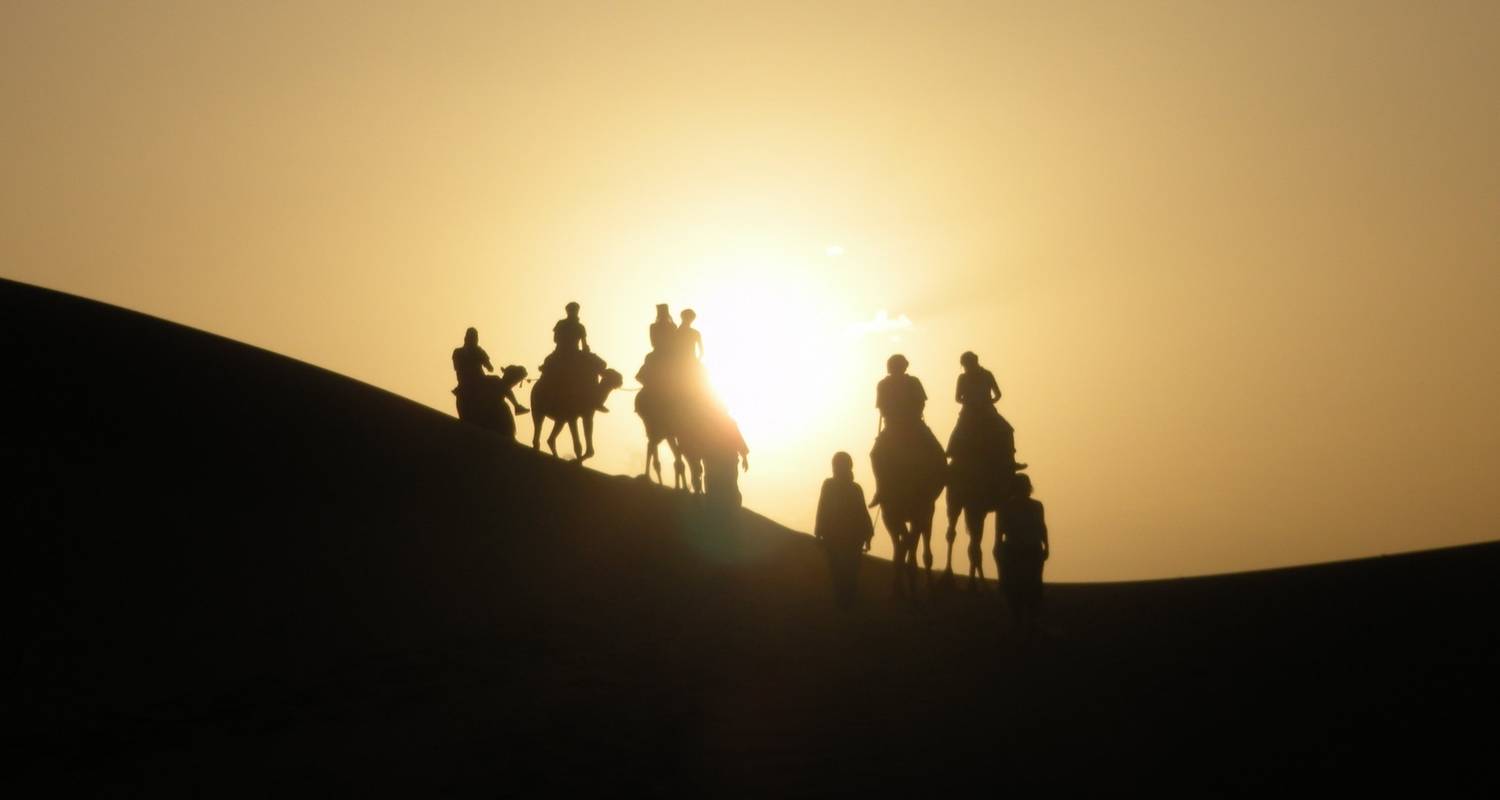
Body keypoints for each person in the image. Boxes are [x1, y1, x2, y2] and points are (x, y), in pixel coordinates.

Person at [815, 452, 874, 608]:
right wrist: (868, 536)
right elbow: (823, 508)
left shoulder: (838, 486)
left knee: (843, 570)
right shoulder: (851, 488)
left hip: (843, 537)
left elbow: (823, 508)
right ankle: (846, 600)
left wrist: (819, 532)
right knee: (846, 570)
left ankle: (845, 601)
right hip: (842, 537)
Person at [947, 351, 1022, 470]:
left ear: (974, 362)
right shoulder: (962, 378)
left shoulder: (987, 375)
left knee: (1007, 430)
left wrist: (987, 402)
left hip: (987, 411)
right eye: (965, 365)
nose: (966, 368)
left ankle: (1011, 461)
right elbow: (957, 398)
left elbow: (998, 394)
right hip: (969, 412)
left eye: (967, 365)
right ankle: (952, 455)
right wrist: (970, 402)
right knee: (959, 433)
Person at [997, 473, 1049, 634]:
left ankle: (1022, 621)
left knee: (1019, 586)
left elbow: (999, 533)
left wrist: (1046, 546)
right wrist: (1046, 546)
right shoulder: (1035, 506)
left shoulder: (1005, 508)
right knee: (1029, 585)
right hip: (1026, 549)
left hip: (1019, 550)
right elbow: (1042, 528)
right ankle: (1025, 621)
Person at [876, 354, 926, 431]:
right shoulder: (883, 384)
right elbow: (882, 408)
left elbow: (920, 403)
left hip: (914, 424)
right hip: (893, 426)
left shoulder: (913, 382)